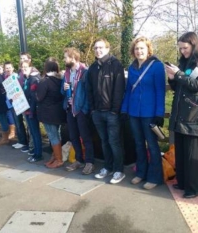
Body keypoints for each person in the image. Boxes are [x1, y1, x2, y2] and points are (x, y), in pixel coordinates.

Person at [165, 32, 198, 198]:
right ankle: (184, 181)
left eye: (185, 48)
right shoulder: (184, 61)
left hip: (196, 113)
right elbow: (180, 86)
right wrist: (172, 78)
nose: (182, 52)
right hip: (181, 112)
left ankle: (196, 188)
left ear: (193, 45)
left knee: (194, 153)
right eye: (180, 48)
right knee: (181, 150)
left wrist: (178, 74)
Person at [121, 37, 165, 189]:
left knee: (152, 145)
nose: (139, 51)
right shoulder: (132, 67)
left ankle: (155, 176)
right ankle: (141, 173)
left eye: (142, 48)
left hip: (149, 113)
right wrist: (124, 109)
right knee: (138, 144)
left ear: (148, 50)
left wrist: (160, 113)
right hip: (134, 112)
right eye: (137, 49)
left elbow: (160, 91)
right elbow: (128, 91)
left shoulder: (157, 66)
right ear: (133, 51)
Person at [86, 38, 126, 184]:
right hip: (97, 112)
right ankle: (107, 167)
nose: (98, 50)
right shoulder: (92, 67)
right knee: (104, 142)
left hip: (111, 113)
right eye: (96, 48)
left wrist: (115, 110)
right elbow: (89, 89)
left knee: (114, 142)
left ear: (108, 49)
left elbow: (119, 89)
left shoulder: (115, 65)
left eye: (101, 47)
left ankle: (119, 170)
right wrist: (92, 109)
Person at [62, 47, 96, 175]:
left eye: (66, 57)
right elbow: (62, 92)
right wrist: (64, 88)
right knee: (73, 136)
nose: (64, 60)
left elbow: (88, 92)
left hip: (81, 110)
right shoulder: (66, 73)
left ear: (73, 58)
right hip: (70, 109)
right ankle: (78, 160)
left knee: (86, 137)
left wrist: (84, 109)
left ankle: (89, 162)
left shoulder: (84, 72)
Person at [36, 58, 66, 168]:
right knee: (57, 135)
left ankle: (59, 159)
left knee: (53, 136)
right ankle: (55, 156)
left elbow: (39, 97)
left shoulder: (45, 81)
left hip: (48, 113)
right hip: (59, 112)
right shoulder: (61, 80)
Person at [21, 60, 43, 162]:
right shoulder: (27, 79)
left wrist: (32, 112)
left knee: (35, 132)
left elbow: (34, 97)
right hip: (27, 109)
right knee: (33, 132)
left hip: (32, 110)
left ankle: (38, 154)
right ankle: (35, 152)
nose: (24, 69)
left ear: (31, 67)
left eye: (26, 67)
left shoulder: (33, 79)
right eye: (22, 67)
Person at [4, 61, 28, 147]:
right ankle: (21, 140)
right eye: (6, 68)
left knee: (20, 122)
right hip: (11, 103)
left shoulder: (16, 77)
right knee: (17, 122)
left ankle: (24, 141)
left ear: (13, 68)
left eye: (9, 67)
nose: (8, 69)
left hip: (19, 103)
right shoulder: (6, 77)